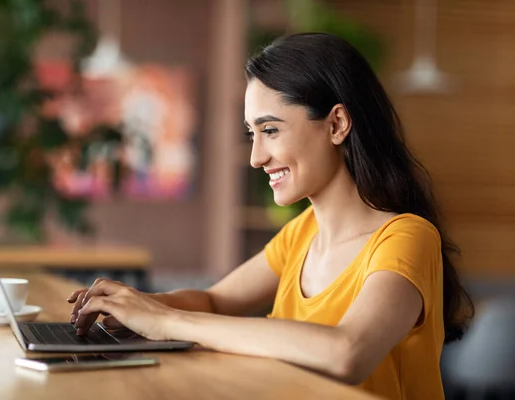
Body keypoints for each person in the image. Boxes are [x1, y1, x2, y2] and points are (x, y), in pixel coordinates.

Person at [67, 33, 474, 399]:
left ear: (337, 124)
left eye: (271, 130)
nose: (256, 157)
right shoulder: (303, 234)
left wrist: (169, 322)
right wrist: (137, 307)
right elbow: (214, 299)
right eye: (252, 133)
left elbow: (347, 352)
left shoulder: (407, 237)